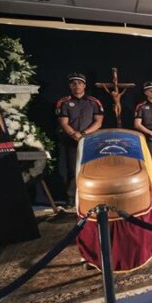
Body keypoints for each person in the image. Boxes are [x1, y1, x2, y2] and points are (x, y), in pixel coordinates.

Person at [55, 72, 104, 205]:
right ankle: (72, 199)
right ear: (70, 86)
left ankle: (93, 196)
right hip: (71, 140)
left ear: (84, 86)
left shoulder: (94, 102)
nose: (77, 86)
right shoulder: (64, 102)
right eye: (74, 83)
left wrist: (84, 133)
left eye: (80, 83)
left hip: (90, 140)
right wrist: (74, 134)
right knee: (73, 169)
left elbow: (98, 121)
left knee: (92, 168)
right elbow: (63, 122)